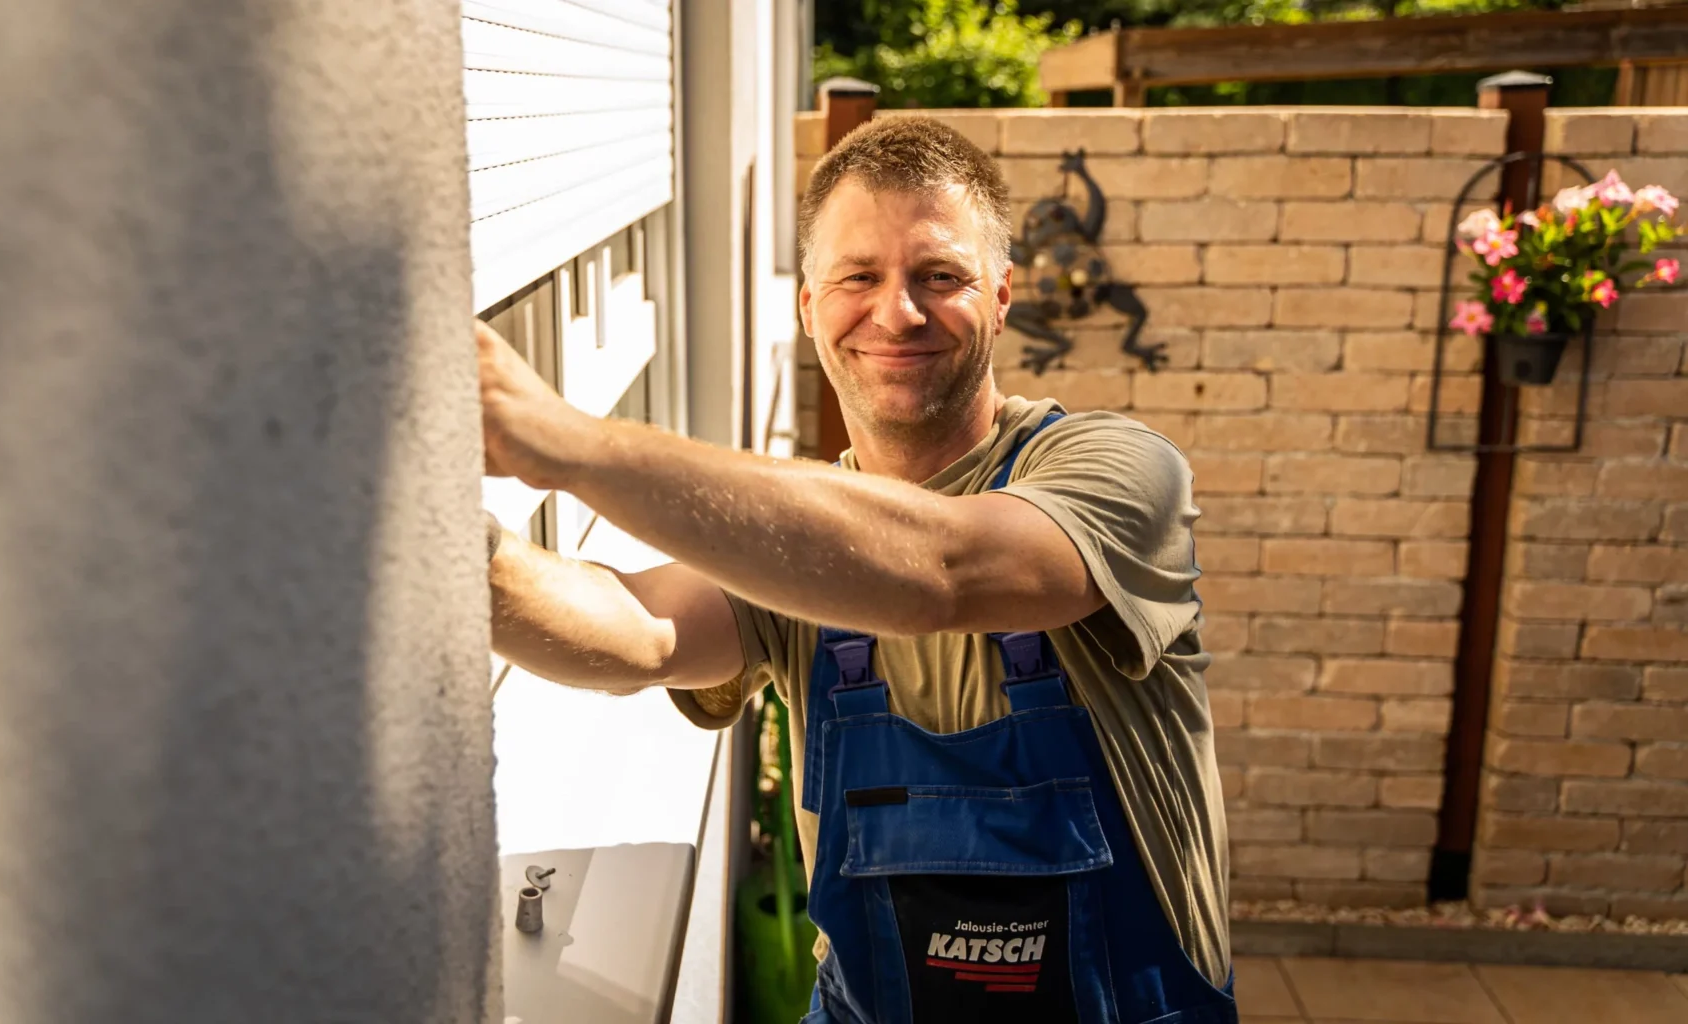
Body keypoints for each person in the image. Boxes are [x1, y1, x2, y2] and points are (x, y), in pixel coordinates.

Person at [478, 116, 1235, 1023]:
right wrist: (448, 545)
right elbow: (636, 630)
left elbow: (943, 570)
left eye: (939, 276)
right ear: (807, 306)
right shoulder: (795, 544)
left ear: (1001, 296)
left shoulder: (1119, 472)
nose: (896, 312)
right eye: (858, 277)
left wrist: (568, 445)